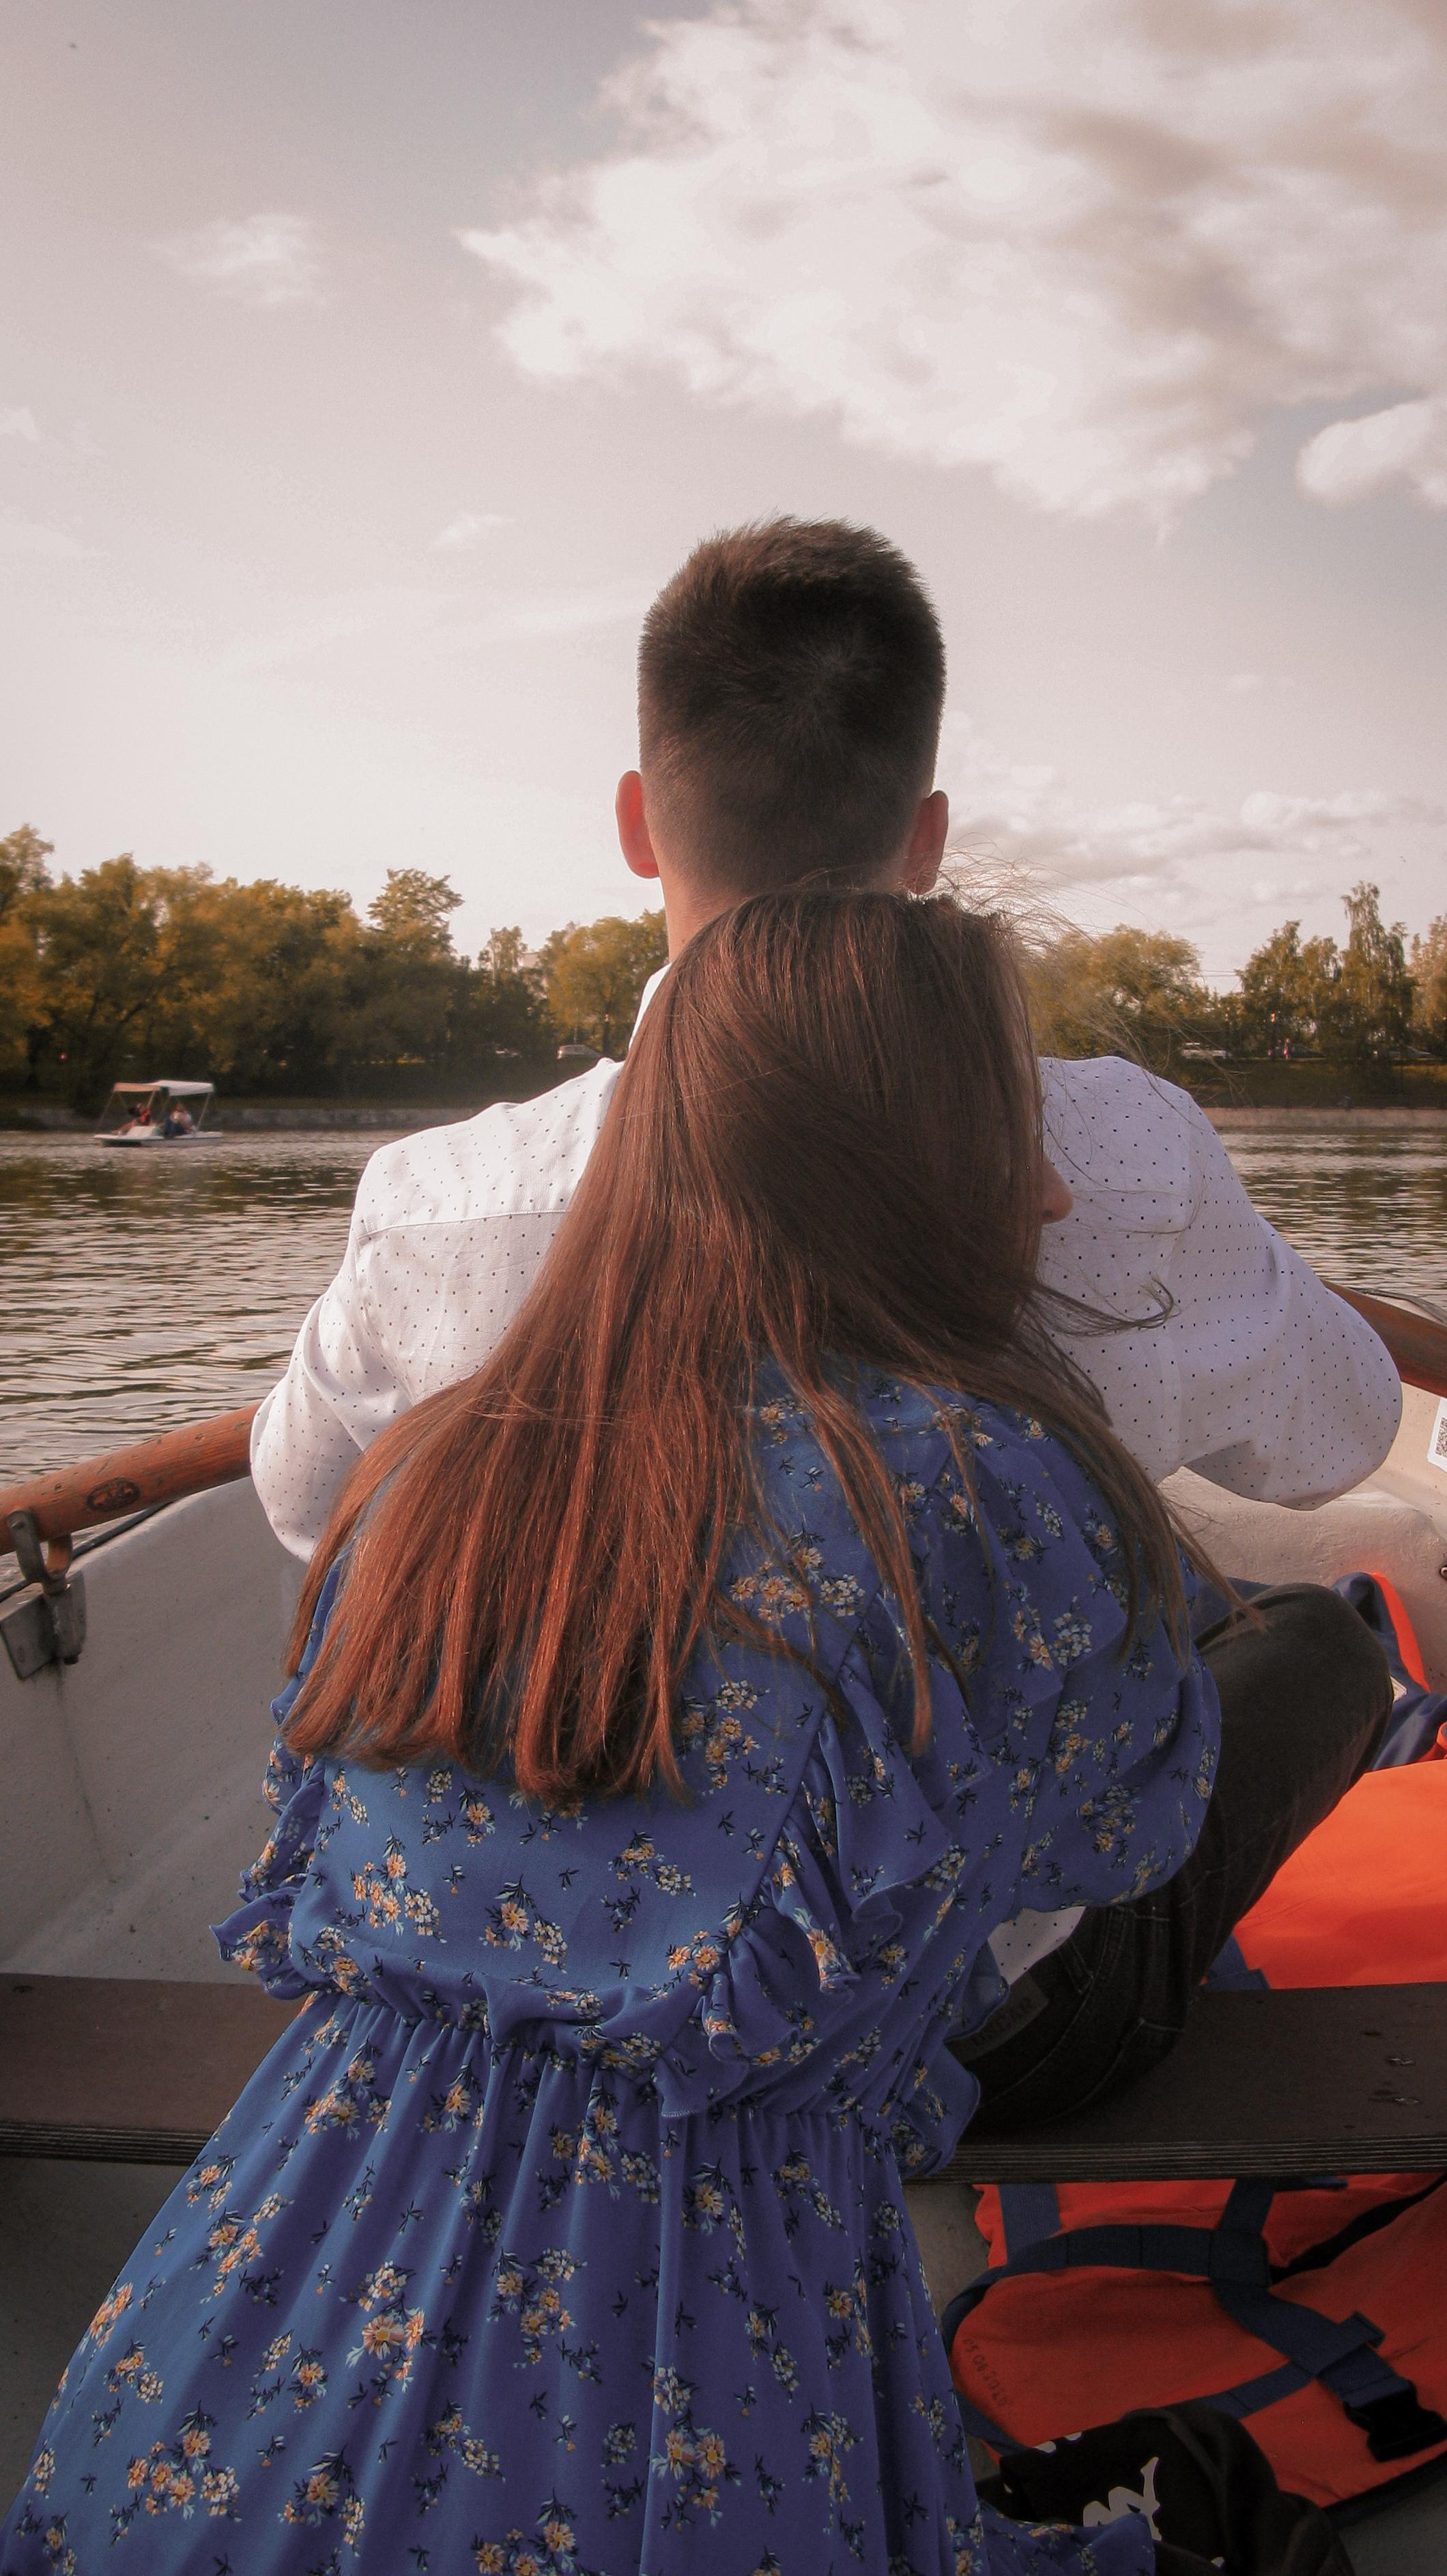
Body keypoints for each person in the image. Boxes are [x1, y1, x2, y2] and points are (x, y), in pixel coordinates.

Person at [10, 889, 1373, 2576]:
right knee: (1323, 1654)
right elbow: (1118, 1832)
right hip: (685, 2360)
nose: (1055, 1187)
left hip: (230, 2329)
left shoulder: (432, 1465)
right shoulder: (997, 1492)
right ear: (908, 1163)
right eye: (1008, 1127)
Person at [248, 515, 1400, 2068]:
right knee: (1306, 1638)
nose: (1049, 1196)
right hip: (963, 2040)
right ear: (924, 842)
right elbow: (1335, 1443)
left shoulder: (443, 1197)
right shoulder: (1117, 1154)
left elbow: (308, 1508)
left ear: (639, 824)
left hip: (540, 1977)